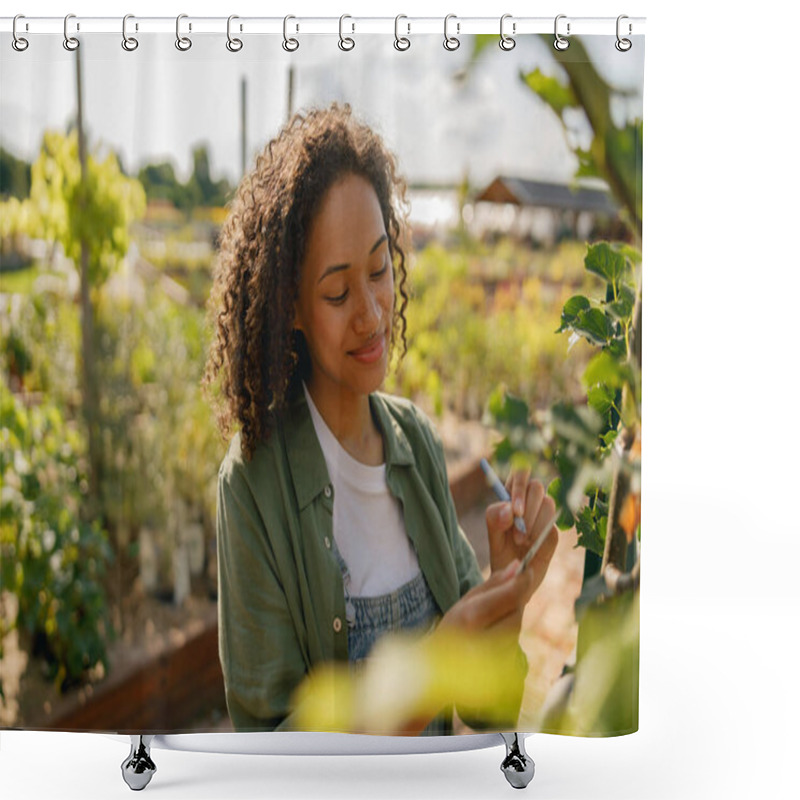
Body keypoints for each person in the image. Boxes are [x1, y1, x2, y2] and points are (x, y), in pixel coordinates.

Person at [203, 103, 559, 734]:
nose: (370, 314)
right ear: (289, 306)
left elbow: (489, 708)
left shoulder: (415, 444)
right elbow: (274, 757)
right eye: (337, 292)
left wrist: (507, 587)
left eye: (379, 269)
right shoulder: (254, 483)